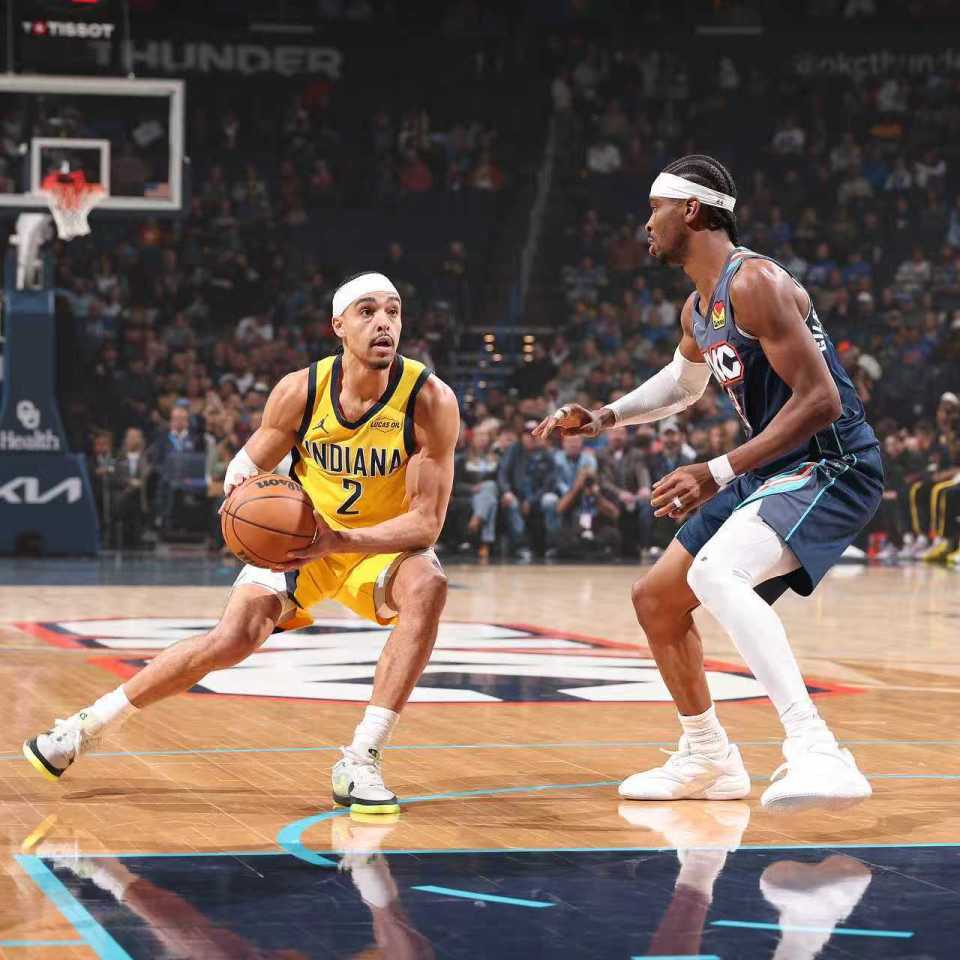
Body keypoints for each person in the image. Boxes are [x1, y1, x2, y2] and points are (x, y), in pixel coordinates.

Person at [24, 272, 460, 816]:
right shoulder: (301, 390)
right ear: (338, 325)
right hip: (303, 541)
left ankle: (360, 759)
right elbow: (244, 468)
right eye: (367, 311)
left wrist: (341, 540)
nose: (383, 323)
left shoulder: (429, 399)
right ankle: (82, 729)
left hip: (374, 544)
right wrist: (249, 513)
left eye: (393, 311)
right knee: (231, 640)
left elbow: (426, 524)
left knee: (428, 585)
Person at [535, 155, 883, 810]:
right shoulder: (699, 306)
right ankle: (708, 758)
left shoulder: (755, 281)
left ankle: (818, 750)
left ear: (690, 210)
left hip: (832, 462)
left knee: (716, 573)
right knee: (656, 600)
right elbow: (683, 383)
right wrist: (604, 417)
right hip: (774, 468)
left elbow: (820, 402)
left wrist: (716, 471)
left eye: (655, 208)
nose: (647, 224)